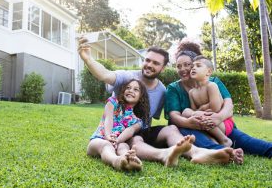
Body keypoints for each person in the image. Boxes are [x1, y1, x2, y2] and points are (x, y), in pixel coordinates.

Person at [79, 37, 242, 165]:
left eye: (155, 63)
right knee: (135, 139)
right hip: (119, 132)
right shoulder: (128, 78)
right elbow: (104, 74)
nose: (149, 65)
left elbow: (150, 121)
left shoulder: (162, 90)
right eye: (147, 60)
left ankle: (197, 153)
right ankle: (164, 155)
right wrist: (88, 59)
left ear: (163, 68)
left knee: (170, 128)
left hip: (139, 128)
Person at [165, 41, 272, 159]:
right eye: (178, 66)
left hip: (219, 125)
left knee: (250, 142)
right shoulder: (174, 88)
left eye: (187, 64)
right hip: (190, 129)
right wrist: (190, 122)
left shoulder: (213, 82)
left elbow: (228, 105)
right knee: (185, 123)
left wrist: (218, 117)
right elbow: (174, 116)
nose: (183, 69)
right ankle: (225, 153)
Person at [87, 79, 149, 171]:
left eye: (136, 89)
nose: (131, 90)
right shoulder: (113, 102)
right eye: (128, 88)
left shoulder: (138, 121)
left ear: (141, 97)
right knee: (106, 145)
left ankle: (129, 160)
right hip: (99, 140)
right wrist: (108, 136)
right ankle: (116, 161)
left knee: (124, 146)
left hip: (118, 142)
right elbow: (109, 118)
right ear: (123, 90)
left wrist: (117, 141)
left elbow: (130, 131)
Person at [183, 55, 233, 147]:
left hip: (222, 123)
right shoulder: (191, 92)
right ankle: (214, 141)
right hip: (207, 122)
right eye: (192, 66)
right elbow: (194, 110)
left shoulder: (211, 85)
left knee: (197, 115)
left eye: (198, 66)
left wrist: (201, 109)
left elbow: (216, 108)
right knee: (186, 112)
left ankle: (224, 139)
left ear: (208, 72)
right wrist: (197, 112)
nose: (193, 68)